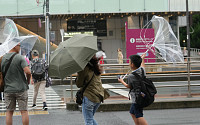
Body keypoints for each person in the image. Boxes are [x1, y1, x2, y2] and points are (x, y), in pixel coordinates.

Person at [1, 43, 31, 125]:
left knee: (9, 112)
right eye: (19, 45)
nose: (20, 48)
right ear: (14, 46)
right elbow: (28, 72)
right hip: (21, 89)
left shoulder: (2, 58)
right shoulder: (20, 57)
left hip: (8, 89)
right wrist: (27, 81)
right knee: (24, 111)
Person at [76, 54, 110, 125]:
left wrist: (78, 76)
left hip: (89, 97)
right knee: (90, 118)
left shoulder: (84, 68)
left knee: (88, 121)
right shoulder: (96, 66)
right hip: (98, 96)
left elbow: (79, 84)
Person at [118, 53, 148, 125]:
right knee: (132, 112)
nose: (128, 63)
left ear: (132, 64)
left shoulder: (131, 76)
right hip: (142, 95)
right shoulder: (142, 70)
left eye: (129, 62)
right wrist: (143, 59)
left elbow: (129, 86)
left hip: (137, 98)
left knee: (139, 115)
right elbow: (143, 66)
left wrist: (122, 81)